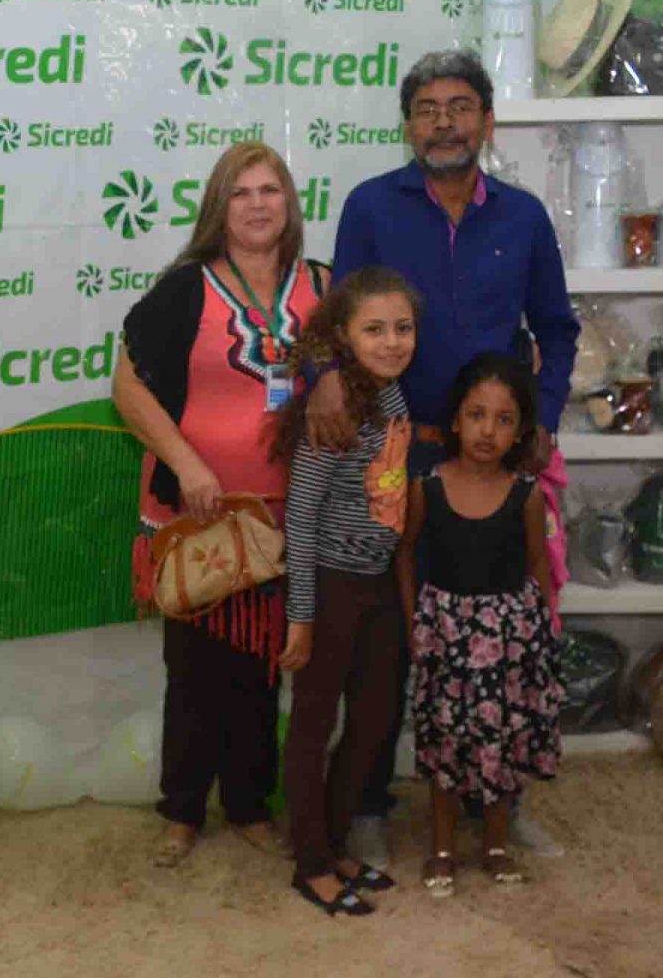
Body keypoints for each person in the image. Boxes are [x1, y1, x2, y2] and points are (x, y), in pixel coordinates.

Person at [307, 49, 578, 866]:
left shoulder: (524, 217)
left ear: (487, 122)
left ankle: (502, 801)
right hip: (391, 457)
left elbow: (557, 330)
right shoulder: (370, 206)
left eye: (460, 107)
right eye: (426, 109)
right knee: (390, 640)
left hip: (492, 465)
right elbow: (334, 320)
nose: (443, 123)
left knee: (501, 636)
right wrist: (325, 377)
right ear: (408, 126)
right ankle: (368, 804)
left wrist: (543, 419)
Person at [112, 142, 329, 867]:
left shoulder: (323, 287)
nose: (258, 204)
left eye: (270, 189)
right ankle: (181, 810)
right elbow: (127, 388)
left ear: (289, 202)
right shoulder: (187, 288)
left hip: (281, 516)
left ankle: (248, 804)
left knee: (263, 666)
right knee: (194, 668)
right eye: (241, 192)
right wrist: (186, 464)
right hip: (197, 511)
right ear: (218, 207)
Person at [271, 266, 419, 916]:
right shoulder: (333, 413)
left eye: (403, 328)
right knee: (313, 724)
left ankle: (333, 843)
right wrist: (302, 617)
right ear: (343, 338)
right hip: (331, 585)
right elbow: (301, 517)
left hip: (378, 582)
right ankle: (310, 863)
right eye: (374, 330)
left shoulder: (394, 396)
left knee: (374, 718)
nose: (391, 342)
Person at [396, 353, 563, 897]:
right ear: (455, 420)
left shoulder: (526, 494)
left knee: (500, 742)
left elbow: (538, 565)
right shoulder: (427, 486)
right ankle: (442, 847)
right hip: (446, 633)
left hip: (508, 641)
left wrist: (542, 631)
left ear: (520, 431)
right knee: (446, 741)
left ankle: (495, 844)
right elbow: (406, 554)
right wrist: (413, 620)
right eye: (476, 415)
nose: (488, 431)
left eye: (504, 419)